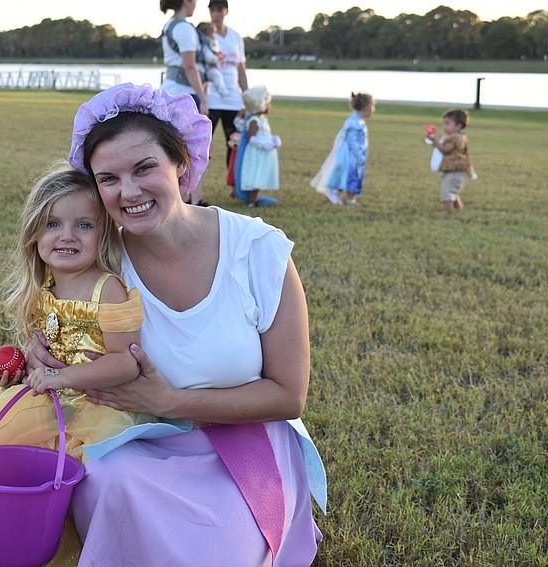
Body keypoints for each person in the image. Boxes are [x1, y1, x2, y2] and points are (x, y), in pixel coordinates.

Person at [22, 82, 326, 566]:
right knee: (106, 479)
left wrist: (169, 400)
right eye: (108, 179)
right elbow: (54, 316)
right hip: (135, 442)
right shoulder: (99, 259)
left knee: (213, 552)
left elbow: (289, 395)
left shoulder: (258, 251)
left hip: (242, 443)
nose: (129, 192)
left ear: (181, 163)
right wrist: (37, 349)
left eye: (145, 168)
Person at [0, 163, 155, 566]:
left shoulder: (109, 289)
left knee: (75, 483)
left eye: (84, 225)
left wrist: (61, 375)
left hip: (100, 409)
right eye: (53, 223)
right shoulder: (44, 291)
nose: (67, 235)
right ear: (35, 233)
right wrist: (28, 363)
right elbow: (43, 348)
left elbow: (126, 363)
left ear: (103, 233)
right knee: (5, 460)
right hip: (47, 404)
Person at [161, 0, 209, 206]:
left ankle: (184, 198)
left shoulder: (170, 25)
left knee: (175, 147)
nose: (196, 5)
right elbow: (190, 66)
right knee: (194, 148)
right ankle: (193, 200)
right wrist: (204, 98)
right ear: (187, 2)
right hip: (185, 94)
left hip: (169, 90)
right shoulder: (183, 28)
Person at [206, 0, 249, 176]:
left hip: (233, 100)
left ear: (226, 12)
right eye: (213, 10)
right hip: (211, 98)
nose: (216, 14)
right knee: (203, 144)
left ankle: (235, 184)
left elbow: (241, 69)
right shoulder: (204, 35)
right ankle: (194, 192)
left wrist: (246, 98)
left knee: (235, 143)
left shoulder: (235, 37)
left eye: (219, 10)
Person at [311, 92, 376, 205]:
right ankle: (334, 191)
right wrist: (359, 156)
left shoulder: (358, 121)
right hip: (351, 156)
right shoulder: (354, 122)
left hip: (356, 155)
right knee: (349, 175)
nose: (373, 109)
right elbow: (352, 141)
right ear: (366, 107)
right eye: (372, 106)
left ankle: (351, 198)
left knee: (354, 176)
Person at [237, 85, 281, 208]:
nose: (269, 106)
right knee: (255, 175)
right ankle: (252, 201)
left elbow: (265, 134)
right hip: (257, 153)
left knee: (261, 174)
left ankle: (255, 199)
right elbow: (251, 137)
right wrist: (266, 144)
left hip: (263, 154)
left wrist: (273, 140)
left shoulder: (263, 119)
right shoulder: (254, 120)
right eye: (267, 103)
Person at [425, 108, 475, 213]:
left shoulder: (456, 138)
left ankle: (449, 213)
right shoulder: (458, 137)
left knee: (447, 192)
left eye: (447, 123)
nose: (444, 126)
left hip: (455, 171)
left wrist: (435, 142)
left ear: (458, 125)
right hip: (454, 171)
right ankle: (459, 210)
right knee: (453, 193)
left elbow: (445, 150)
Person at [195, 21, 230, 98]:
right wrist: (217, 58)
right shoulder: (205, 45)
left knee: (209, 81)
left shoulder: (207, 44)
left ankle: (207, 92)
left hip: (205, 68)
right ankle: (223, 91)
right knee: (217, 75)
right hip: (206, 68)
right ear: (207, 34)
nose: (215, 36)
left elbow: (213, 51)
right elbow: (209, 58)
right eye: (213, 33)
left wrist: (217, 54)